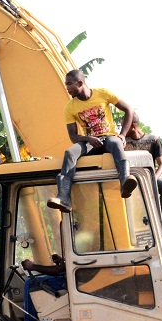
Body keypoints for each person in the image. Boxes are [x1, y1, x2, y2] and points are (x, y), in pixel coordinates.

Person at [48, 69, 136, 213]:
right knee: (70, 153)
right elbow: (73, 137)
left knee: (115, 143)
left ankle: (125, 182)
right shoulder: (69, 107)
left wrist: (123, 135)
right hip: (89, 142)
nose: (67, 88)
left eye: (69, 84)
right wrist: (88, 138)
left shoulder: (103, 93)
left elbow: (128, 110)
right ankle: (64, 198)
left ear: (80, 83)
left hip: (108, 137)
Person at [121, 113, 162, 237]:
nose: (122, 130)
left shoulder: (153, 140)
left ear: (133, 126)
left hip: (148, 179)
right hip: (131, 180)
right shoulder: (123, 142)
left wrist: (153, 179)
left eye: (124, 126)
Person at [12, 255, 67, 321]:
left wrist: (33, 266)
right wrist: (61, 261)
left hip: (66, 281)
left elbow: (59, 270)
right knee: (33, 280)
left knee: (29, 282)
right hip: (67, 278)